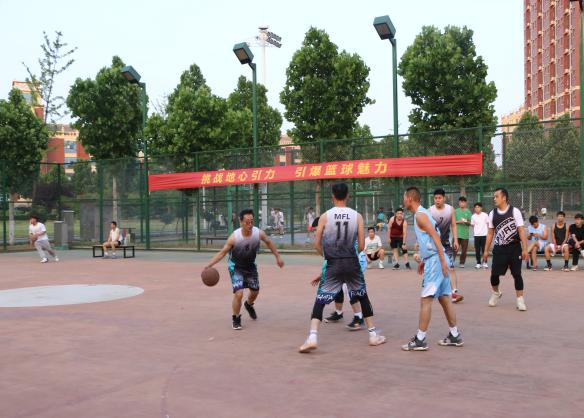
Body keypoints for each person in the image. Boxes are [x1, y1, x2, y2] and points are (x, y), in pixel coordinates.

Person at [299, 183, 386, 353]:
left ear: (333, 196)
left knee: (320, 300)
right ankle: (372, 335)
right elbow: (362, 246)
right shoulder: (357, 216)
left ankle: (312, 337)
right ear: (347, 196)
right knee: (363, 296)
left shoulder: (325, 216)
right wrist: (351, 254)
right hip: (352, 262)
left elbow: (317, 244)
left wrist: (327, 256)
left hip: (333, 262)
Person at [401, 187, 462, 351]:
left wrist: (440, 260)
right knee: (444, 298)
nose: (403, 200)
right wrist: (425, 259)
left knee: (426, 299)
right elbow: (430, 238)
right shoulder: (423, 213)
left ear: (410, 199)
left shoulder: (420, 215)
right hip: (436, 258)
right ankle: (454, 335)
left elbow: (435, 237)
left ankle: (420, 340)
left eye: (404, 197)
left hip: (436, 261)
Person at [204, 209, 284, 330]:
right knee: (239, 294)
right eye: (247, 222)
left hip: (250, 266)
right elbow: (222, 253)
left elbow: (269, 242)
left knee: (255, 292)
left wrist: (277, 257)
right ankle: (236, 318)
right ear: (241, 222)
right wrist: (209, 265)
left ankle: (249, 304)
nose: (250, 224)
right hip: (236, 266)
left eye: (252, 221)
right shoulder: (234, 237)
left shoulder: (258, 233)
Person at [483, 188, 529, 311]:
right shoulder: (492, 214)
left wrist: (525, 249)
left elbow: (521, 231)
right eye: (494, 197)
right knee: (494, 275)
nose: (494, 199)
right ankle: (496, 292)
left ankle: (520, 300)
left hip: (514, 248)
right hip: (499, 249)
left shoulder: (515, 211)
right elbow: (490, 233)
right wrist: (486, 250)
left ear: (504, 198)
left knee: (517, 274)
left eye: (496, 196)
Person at [429, 189, 463, 303]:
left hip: (446, 244)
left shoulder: (450, 209)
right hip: (433, 245)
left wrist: (456, 240)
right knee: (435, 269)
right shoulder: (430, 211)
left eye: (439, 198)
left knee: (451, 267)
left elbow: (453, 225)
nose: (437, 200)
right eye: (435, 198)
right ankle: (433, 291)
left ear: (444, 198)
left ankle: (454, 293)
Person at [454, 196, 472, 268]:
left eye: (463, 202)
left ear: (466, 203)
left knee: (464, 250)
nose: (462, 203)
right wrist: (459, 221)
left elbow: (470, 223)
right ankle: (451, 262)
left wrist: (465, 221)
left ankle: (462, 263)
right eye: (461, 202)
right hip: (456, 234)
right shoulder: (455, 211)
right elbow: (452, 222)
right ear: (459, 203)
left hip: (465, 235)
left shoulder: (468, 212)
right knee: (454, 249)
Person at [471, 203, 489, 269]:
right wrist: (476, 232)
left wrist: (488, 234)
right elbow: (472, 225)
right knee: (477, 250)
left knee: (484, 250)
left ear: (481, 208)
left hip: (484, 235)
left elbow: (488, 224)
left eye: (478, 207)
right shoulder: (473, 216)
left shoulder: (485, 215)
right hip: (476, 236)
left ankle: (485, 263)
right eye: (475, 207)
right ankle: (478, 263)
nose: (477, 208)